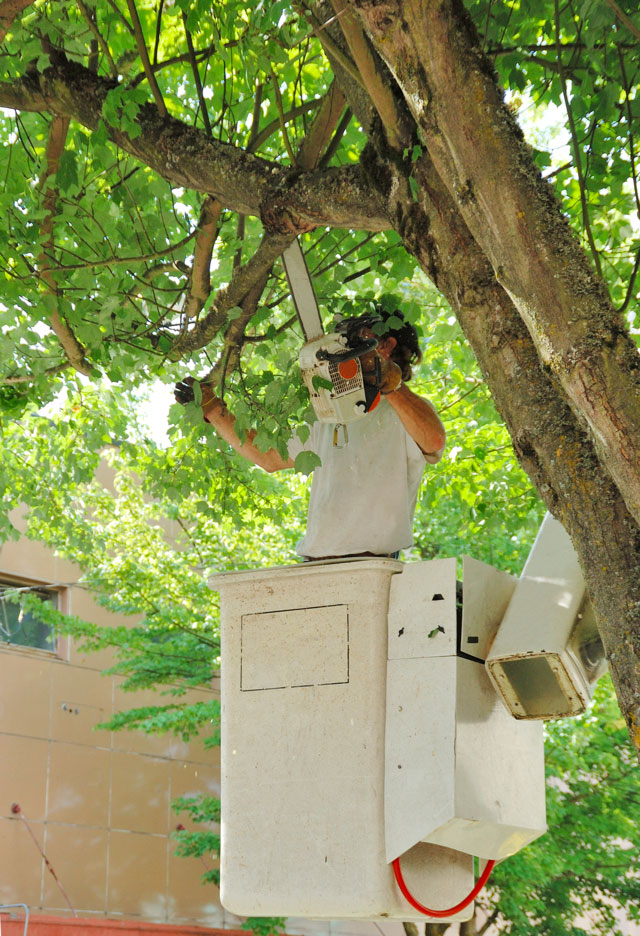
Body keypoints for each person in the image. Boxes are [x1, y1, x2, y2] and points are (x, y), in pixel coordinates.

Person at [175, 308, 446, 560]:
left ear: (386, 346)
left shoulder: (406, 414)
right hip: (316, 562)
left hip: (374, 564)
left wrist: (391, 385)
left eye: (361, 338)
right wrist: (213, 408)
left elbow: (433, 440)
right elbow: (268, 457)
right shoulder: (330, 414)